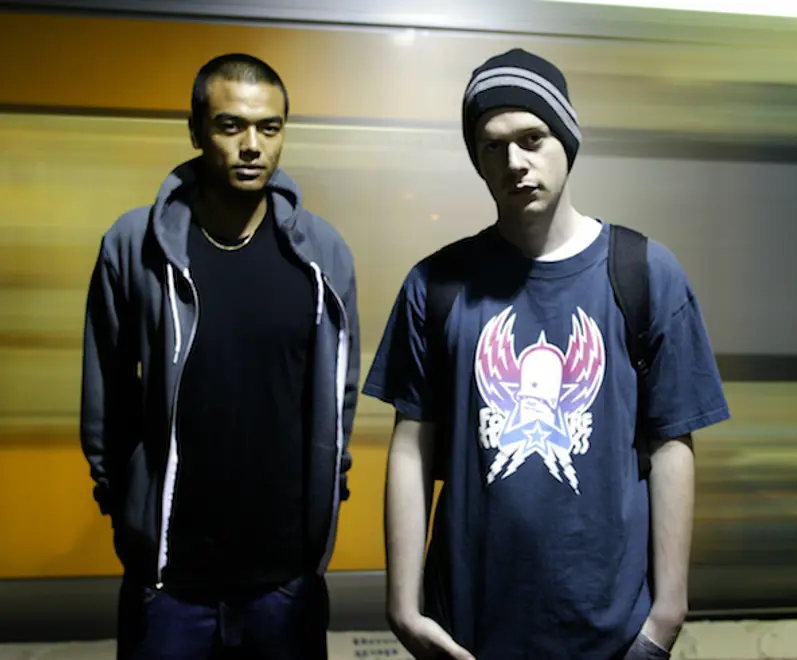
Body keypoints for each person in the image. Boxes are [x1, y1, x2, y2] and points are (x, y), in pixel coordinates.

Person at [362, 48, 730, 659]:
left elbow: (672, 441)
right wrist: (402, 607)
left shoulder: (644, 273)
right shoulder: (437, 284)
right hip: (469, 628)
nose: (514, 162)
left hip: (611, 630)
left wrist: (667, 614)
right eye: (492, 146)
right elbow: (411, 443)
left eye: (532, 138)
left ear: (567, 139)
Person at [79, 53, 360, 659]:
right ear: (196, 130)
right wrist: (122, 502)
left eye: (269, 128)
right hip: (169, 581)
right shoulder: (135, 245)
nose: (252, 145)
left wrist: (329, 493)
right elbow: (106, 386)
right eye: (231, 126)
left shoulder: (322, 253)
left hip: (284, 579)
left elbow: (339, 392)